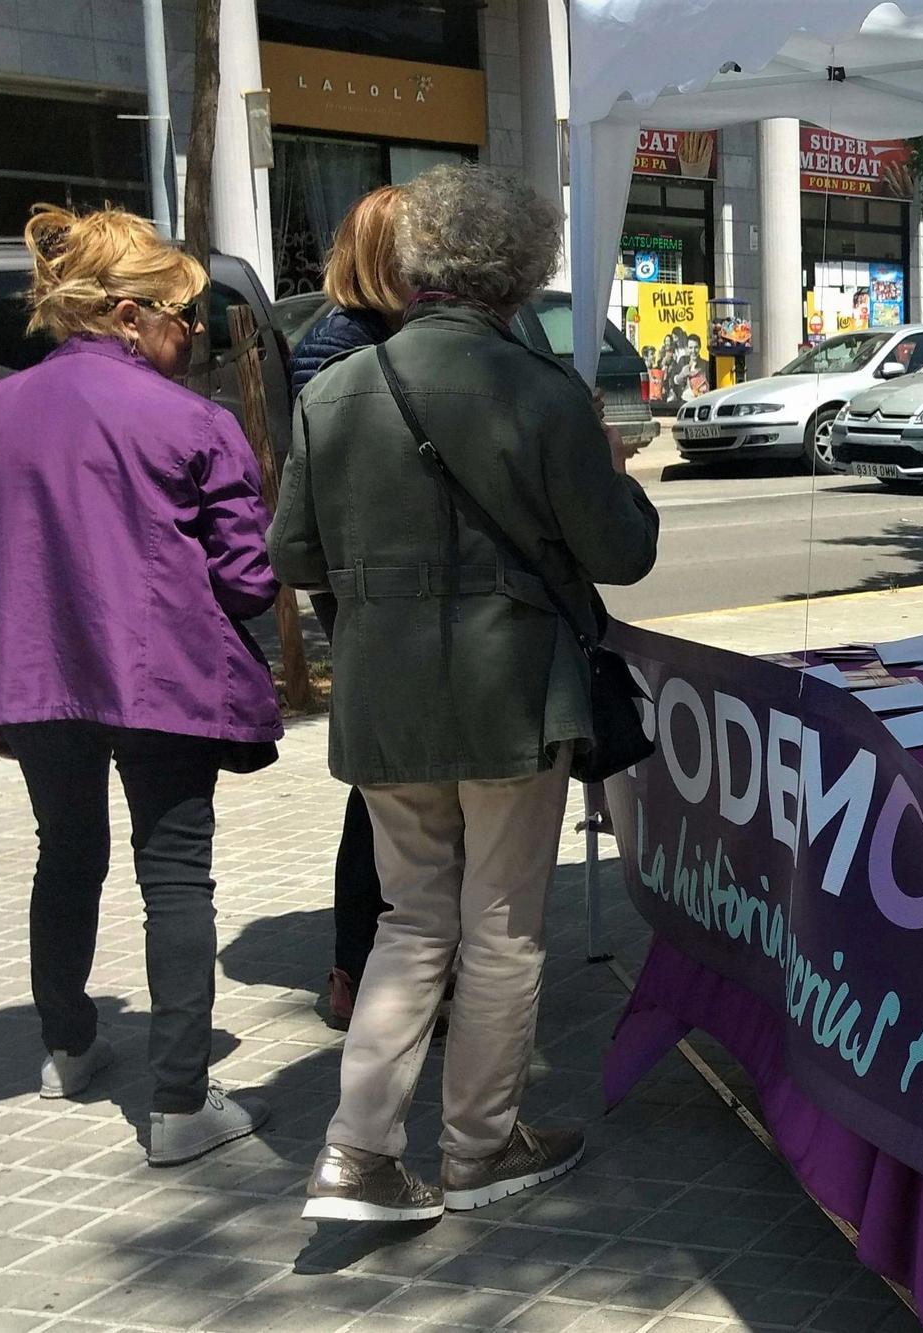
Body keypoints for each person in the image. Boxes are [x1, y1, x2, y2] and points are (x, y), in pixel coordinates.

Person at [271, 164, 659, 1221]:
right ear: (519, 273)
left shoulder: (336, 387)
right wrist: (613, 472)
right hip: (510, 694)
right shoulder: (539, 393)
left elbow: (294, 549)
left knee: (410, 920)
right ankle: (479, 1148)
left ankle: (356, 1153)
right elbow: (619, 553)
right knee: (500, 929)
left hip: (384, 697)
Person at [0, 204, 280, 1165]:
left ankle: (65, 1043)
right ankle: (178, 1103)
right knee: (174, 873)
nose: (194, 332)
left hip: (36, 677)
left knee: (67, 849)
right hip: (163, 672)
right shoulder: (193, 420)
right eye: (182, 315)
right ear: (129, 316)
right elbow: (250, 579)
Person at [288, 185, 410, 1030]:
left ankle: (374, 965)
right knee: (385, 785)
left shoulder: (394, 333)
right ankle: (361, 968)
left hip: (381, 586)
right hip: (370, 590)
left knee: (395, 783)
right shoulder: (337, 346)